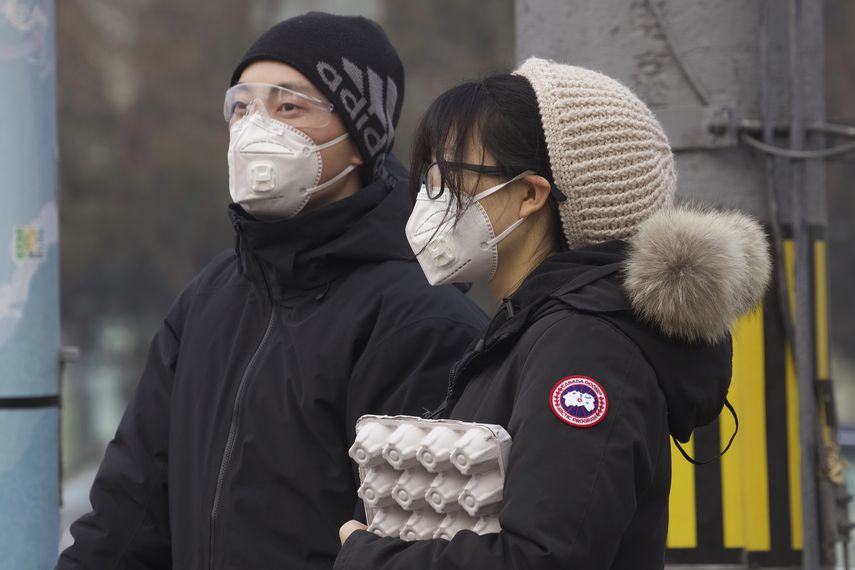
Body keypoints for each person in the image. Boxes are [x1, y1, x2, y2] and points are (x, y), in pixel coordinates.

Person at [58, 12, 487, 570]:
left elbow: (408, 549)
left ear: (361, 138)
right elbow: (129, 511)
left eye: (289, 108)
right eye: (241, 107)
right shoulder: (210, 298)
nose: (255, 129)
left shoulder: (420, 321)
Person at [336, 58, 771, 569]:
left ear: (530, 194)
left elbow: (544, 556)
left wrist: (374, 559)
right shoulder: (534, 330)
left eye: (449, 175)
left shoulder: (586, 347)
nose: (432, 198)